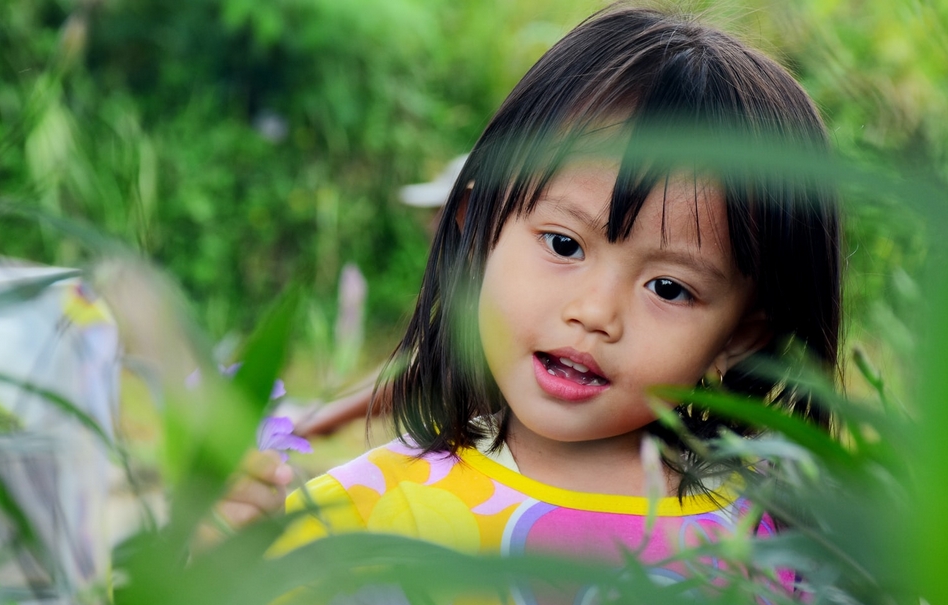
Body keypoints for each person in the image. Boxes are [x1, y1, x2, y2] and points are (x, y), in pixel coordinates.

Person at [269, 3, 841, 598]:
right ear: (476, 234)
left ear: (740, 336)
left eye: (668, 288)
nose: (594, 313)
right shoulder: (357, 518)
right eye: (564, 244)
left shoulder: (774, 534)